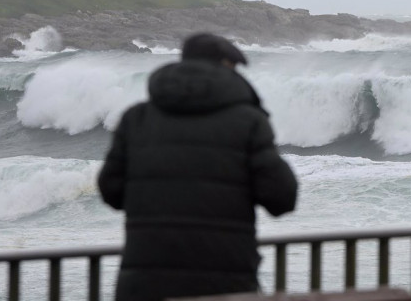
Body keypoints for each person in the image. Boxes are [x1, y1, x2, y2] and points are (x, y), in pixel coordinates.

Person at [98, 33, 298, 301]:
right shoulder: (248, 121)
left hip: (145, 284)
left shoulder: (137, 118)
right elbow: (282, 198)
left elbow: (111, 191)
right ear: (227, 66)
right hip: (225, 284)